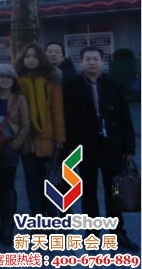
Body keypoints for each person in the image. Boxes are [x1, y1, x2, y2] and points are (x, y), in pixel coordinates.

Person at [64, 46, 138, 251]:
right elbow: (68, 119)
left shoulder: (114, 85)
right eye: (87, 59)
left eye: (95, 59)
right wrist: (71, 148)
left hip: (112, 145)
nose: (92, 62)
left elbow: (125, 117)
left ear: (102, 61)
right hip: (84, 146)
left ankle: (118, 232)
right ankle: (92, 233)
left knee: (114, 191)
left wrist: (129, 146)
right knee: (88, 192)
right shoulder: (72, 86)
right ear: (81, 62)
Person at [0, 64, 30, 245]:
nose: (4, 80)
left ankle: (8, 225)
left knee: (7, 185)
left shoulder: (19, 99)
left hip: (9, 146)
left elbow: (25, 124)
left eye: (8, 77)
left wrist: (15, 145)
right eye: (0, 77)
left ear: (13, 80)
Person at [14, 43, 65, 216]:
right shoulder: (17, 80)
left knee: (48, 177)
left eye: (34, 57)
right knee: (31, 177)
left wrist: (60, 137)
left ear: (41, 59)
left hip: (47, 136)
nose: (30, 60)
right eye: (27, 56)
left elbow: (57, 110)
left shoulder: (51, 79)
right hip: (26, 137)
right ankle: (36, 213)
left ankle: (50, 211)